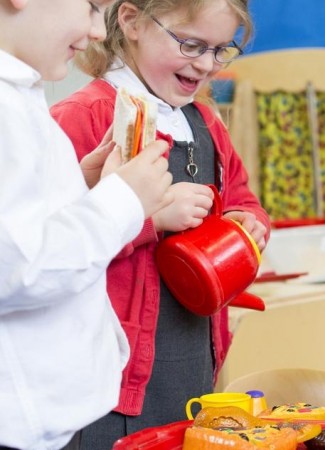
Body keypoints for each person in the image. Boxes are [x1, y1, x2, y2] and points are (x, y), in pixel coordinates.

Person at [49, 0, 267, 446]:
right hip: (109, 383)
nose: (207, 64)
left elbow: (242, 197)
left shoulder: (205, 122)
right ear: (130, 21)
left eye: (222, 49)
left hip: (189, 361)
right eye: (191, 44)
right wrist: (149, 218)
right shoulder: (85, 117)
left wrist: (249, 223)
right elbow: (54, 248)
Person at [0, 0, 173, 448]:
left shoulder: (19, 98)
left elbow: (21, 222)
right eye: (93, 7)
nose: (99, 30)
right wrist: (122, 202)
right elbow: (19, 267)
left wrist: (85, 186)